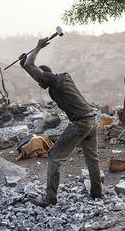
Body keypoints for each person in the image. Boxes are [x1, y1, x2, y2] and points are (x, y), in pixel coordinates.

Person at [19, 38, 102, 207]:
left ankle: (50, 198)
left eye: (39, 80)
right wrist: (23, 64)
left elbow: (32, 67)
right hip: (91, 120)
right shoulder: (59, 81)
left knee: (54, 156)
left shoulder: (55, 81)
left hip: (80, 123)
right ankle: (97, 193)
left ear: (45, 77)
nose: (39, 83)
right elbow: (31, 68)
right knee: (92, 158)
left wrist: (37, 48)